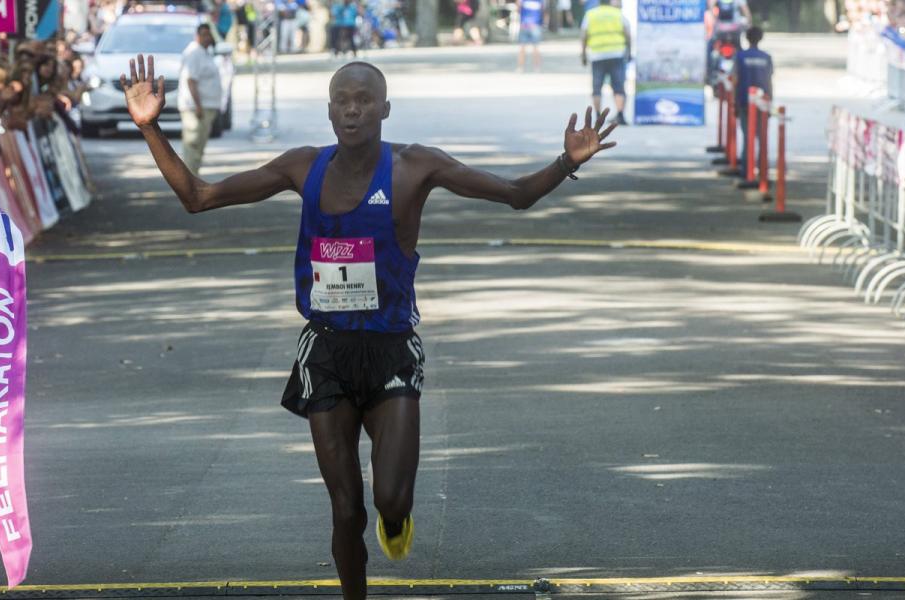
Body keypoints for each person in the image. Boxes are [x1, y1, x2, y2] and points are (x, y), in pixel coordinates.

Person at [119, 56, 616, 600]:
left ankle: (397, 521)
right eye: (342, 100)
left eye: (363, 100)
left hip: (391, 350)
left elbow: (515, 194)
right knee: (345, 506)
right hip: (326, 353)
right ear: (330, 111)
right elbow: (199, 197)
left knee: (390, 501)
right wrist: (149, 126)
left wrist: (565, 162)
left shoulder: (415, 166)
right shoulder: (302, 167)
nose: (353, 110)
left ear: (385, 108)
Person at [179, 24, 224, 175]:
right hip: (196, 108)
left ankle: (194, 178)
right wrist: (198, 106)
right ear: (197, 36)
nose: (208, 38)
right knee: (193, 145)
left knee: (199, 147)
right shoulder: (194, 52)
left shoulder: (204, 52)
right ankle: (190, 180)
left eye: (209, 34)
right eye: (204, 34)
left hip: (206, 106)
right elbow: (191, 80)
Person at [581, 0, 630, 125]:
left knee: (597, 87)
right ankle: (620, 115)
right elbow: (627, 33)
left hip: (597, 55)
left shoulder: (590, 14)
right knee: (618, 86)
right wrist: (628, 51)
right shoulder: (618, 14)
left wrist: (583, 54)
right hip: (616, 54)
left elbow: (584, 34)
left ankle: (598, 116)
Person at [733, 25, 771, 176]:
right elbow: (769, 81)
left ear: (747, 38)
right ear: (760, 38)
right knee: (762, 139)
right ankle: (763, 172)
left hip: (744, 102)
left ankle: (746, 172)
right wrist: (769, 103)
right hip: (762, 103)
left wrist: (735, 103)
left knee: (747, 137)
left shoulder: (740, 56)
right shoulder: (766, 57)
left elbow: (735, 80)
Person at [516, 0, 545, 72]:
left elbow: (518, 9)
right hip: (534, 25)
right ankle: (536, 68)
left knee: (523, 47)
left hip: (525, 24)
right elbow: (543, 11)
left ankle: (520, 68)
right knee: (535, 47)